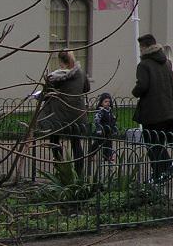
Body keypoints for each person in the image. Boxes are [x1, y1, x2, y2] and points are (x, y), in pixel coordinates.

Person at [37, 49, 90, 177]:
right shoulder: (81, 73)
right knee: (76, 143)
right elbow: (86, 88)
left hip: (58, 115)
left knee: (54, 140)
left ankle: (61, 169)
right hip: (76, 114)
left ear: (61, 61)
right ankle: (79, 173)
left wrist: (39, 96)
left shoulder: (55, 77)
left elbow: (45, 93)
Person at [133, 33, 173, 183]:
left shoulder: (144, 65)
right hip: (166, 109)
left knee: (152, 143)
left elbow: (142, 85)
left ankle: (164, 167)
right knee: (158, 141)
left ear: (145, 47)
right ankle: (161, 170)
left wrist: (135, 91)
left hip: (151, 110)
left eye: (141, 47)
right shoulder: (166, 63)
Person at [91, 92, 118, 163]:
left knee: (109, 143)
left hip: (108, 131)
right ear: (101, 102)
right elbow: (96, 121)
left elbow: (113, 120)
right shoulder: (100, 111)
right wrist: (99, 129)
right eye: (105, 101)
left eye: (109, 101)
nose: (108, 103)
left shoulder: (110, 111)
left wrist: (114, 128)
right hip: (101, 132)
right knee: (97, 144)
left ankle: (107, 156)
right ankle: (90, 154)